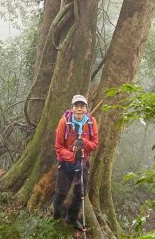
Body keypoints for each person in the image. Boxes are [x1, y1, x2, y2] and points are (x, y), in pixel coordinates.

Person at [53, 94, 99, 231]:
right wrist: (72, 156)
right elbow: (58, 147)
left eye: (82, 106)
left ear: (86, 108)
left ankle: (71, 218)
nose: (79, 109)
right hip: (66, 163)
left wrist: (84, 142)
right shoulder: (64, 122)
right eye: (76, 106)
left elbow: (95, 144)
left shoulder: (91, 122)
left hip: (82, 163)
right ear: (72, 108)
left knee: (80, 192)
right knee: (61, 191)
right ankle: (57, 217)